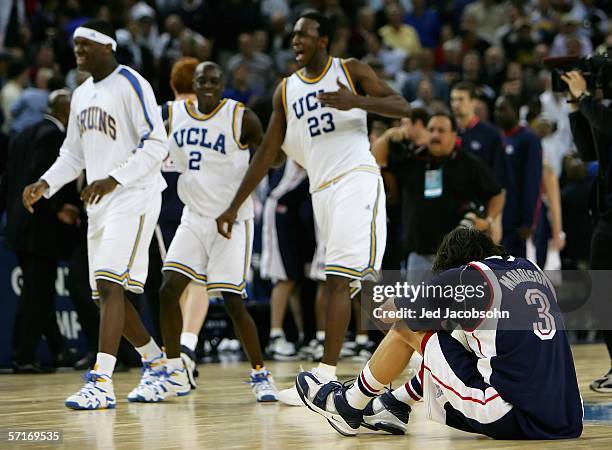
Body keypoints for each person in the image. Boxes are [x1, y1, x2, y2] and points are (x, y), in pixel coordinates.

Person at [216, 11, 410, 404]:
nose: (295, 42)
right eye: (292, 37)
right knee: (356, 285)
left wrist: (355, 100)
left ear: (324, 40)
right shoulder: (286, 90)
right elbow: (268, 153)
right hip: (321, 191)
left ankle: (324, 377)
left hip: (357, 179)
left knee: (343, 280)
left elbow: (402, 106)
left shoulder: (350, 69)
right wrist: (233, 205)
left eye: (304, 35)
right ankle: (422, 359)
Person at [297, 227, 583, 439]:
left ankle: (348, 404)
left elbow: (388, 312)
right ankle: (396, 403)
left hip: (509, 412)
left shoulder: (465, 275)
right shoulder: (530, 267)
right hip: (566, 415)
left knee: (409, 326)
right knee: (462, 340)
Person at [22, 20, 169, 410]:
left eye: (85, 44)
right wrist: (45, 184)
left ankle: (101, 382)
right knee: (107, 296)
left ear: (108, 46)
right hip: (98, 201)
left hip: (134, 194)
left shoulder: (132, 83)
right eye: (75, 44)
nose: (77, 50)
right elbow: (73, 154)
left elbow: (158, 143)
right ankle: (157, 364)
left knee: (108, 286)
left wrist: (114, 179)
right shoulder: (82, 93)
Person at [158, 61, 278, 402]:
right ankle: (174, 370)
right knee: (168, 290)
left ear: (222, 83)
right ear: (193, 84)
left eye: (214, 79)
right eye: (202, 80)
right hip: (194, 216)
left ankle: (260, 373)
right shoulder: (175, 115)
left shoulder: (241, 117)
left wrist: (279, 152)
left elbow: (270, 155)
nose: (208, 84)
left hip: (232, 221)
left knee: (233, 302)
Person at [4, 89, 77, 373]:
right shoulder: (53, 136)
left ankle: (58, 349)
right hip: (39, 228)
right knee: (35, 294)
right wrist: (59, 208)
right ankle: (22, 355)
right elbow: (41, 180)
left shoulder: (23, 132)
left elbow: (9, 180)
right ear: (66, 111)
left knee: (42, 293)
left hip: (20, 226)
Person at [563, 70, 612, 392]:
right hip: (607, 215)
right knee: (602, 295)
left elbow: (607, 124)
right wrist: (574, 108)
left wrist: (584, 99)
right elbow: (589, 150)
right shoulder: (602, 112)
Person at [494, 95, 543, 258]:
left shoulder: (529, 139)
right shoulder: (496, 137)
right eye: (496, 109)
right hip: (497, 217)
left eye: (502, 109)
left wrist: (528, 221)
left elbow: (532, 181)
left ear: (515, 111)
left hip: (516, 221)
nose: (497, 114)